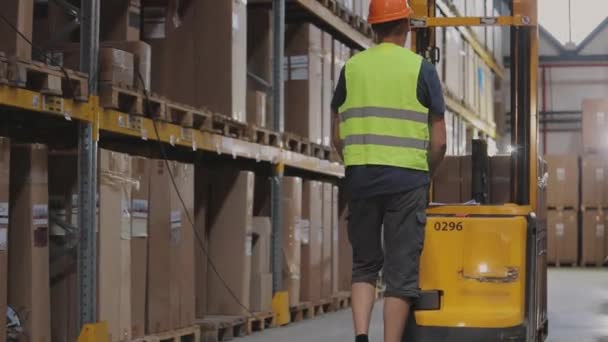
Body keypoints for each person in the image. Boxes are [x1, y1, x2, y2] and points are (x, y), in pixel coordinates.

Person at [330, 1, 447, 341]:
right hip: (407, 180)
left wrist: (355, 160)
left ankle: (361, 336)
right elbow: (438, 142)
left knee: (364, 266)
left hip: (361, 177)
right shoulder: (421, 69)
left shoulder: (351, 68)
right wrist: (426, 172)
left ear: (372, 27)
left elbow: (336, 131)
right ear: (407, 26)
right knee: (400, 274)